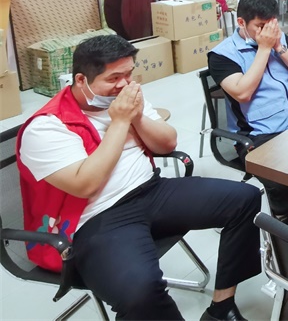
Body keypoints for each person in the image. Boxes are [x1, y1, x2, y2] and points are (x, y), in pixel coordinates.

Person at [17, 35, 261, 321]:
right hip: (98, 217)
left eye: (129, 74)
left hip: (152, 190)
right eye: (113, 78)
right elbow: (85, 185)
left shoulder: (126, 99)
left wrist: (136, 117)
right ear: (81, 80)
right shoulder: (47, 127)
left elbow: (167, 143)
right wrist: (120, 121)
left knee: (245, 199)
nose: (124, 84)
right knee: (139, 293)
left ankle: (221, 307)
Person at [208, 0, 288, 228]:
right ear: (241, 22)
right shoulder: (222, 55)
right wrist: (265, 49)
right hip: (259, 135)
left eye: (271, 24)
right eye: (260, 26)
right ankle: (282, 217)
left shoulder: (278, 38)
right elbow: (242, 92)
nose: (267, 31)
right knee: (284, 179)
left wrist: (278, 47)